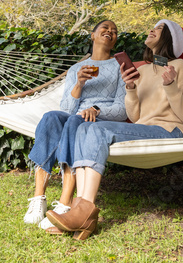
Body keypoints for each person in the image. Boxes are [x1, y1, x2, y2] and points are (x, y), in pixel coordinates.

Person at [46, 19, 183, 240]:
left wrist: (171, 86)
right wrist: (131, 89)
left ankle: (84, 211)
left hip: (169, 130)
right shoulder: (142, 70)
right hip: (143, 128)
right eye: (153, 26)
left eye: (160, 28)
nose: (152, 29)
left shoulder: (179, 67)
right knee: (85, 127)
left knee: (96, 130)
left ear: (169, 38)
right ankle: (80, 210)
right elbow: (134, 117)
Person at [23, 20, 128, 231]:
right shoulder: (76, 69)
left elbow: (122, 109)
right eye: (105, 28)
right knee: (51, 117)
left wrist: (97, 109)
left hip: (99, 120)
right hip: (75, 116)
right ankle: (38, 198)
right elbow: (67, 108)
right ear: (93, 35)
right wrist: (79, 84)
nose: (110, 32)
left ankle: (64, 203)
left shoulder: (120, 67)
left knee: (73, 121)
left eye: (114, 31)